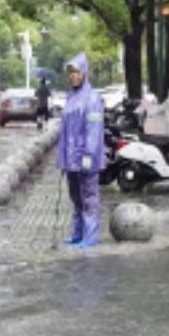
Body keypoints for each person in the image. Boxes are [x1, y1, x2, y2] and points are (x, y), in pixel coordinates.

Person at [56, 53, 105, 247]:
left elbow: (93, 132)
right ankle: (77, 233)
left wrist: (87, 158)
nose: (72, 76)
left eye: (76, 72)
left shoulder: (92, 99)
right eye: (70, 72)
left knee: (89, 199)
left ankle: (90, 236)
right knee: (76, 198)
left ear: (84, 73)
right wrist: (64, 158)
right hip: (70, 160)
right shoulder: (71, 98)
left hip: (85, 160)